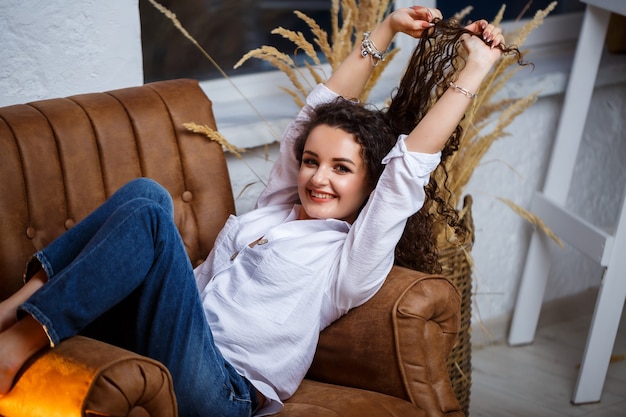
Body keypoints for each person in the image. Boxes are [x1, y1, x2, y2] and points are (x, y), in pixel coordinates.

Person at [0, 5, 515, 416]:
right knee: (145, 192)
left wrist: (476, 66)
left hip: (222, 389)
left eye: (341, 169)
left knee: (154, 213)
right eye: (312, 162)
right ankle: (17, 306)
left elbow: (408, 168)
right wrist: (384, 32)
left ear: (369, 184)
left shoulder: (348, 260)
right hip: (172, 342)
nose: (318, 177)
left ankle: (20, 340)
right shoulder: (273, 210)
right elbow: (313, 114)